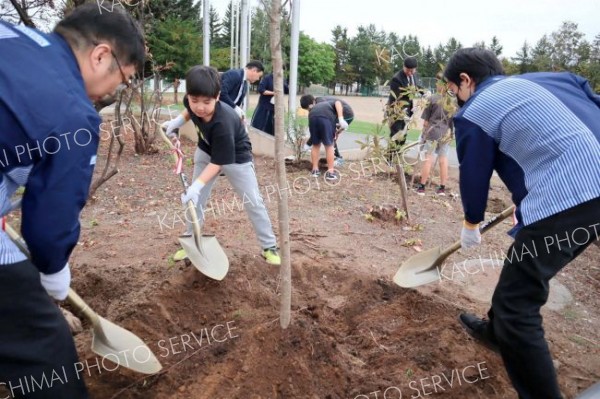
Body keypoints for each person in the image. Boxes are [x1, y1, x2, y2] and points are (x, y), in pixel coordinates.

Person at [0, 4, 144, 398]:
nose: (116, 91)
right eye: (123, 78)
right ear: (101, 55)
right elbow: (50, 220)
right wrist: (53, 269)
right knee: (42, 348)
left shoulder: (13, 37)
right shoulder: (72, 113)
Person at [444, 47, 600, 399]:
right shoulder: (554, 80)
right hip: (585, 197)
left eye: (454, 88)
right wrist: (530, 201)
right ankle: (497, 334)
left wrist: (471, 223)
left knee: (518, 305)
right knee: (520, 269)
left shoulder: (475, 111)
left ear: (465, 80)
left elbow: (474, 175)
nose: (456, 98)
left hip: (574, 195)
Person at [163, 65, 281, 266]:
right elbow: (190, 111)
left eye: (206, 102)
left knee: (252, 200)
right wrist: (178, 121)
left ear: (217, 96)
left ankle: (269, 246)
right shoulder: (192, 100)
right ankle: (191, 240)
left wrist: (197, 185)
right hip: (206, 150)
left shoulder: (223, 122)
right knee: (195, 201)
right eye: (194, 101)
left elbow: (218, 163)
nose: (199, 107)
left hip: (236, 157)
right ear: (189, 96)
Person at [415, 80, 456, 196]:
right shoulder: (453, 102)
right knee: (443, 160)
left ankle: (422, 187)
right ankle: (442, 188)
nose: (436, 85)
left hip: (432, 132)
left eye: (438, 83)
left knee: (428, 158)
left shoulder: (432, 98)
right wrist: (451, 134)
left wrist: (423, 135)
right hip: (446, 133)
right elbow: (453, 122)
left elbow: (426, 121)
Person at [305, 97, 353, 181]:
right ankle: (330, 173)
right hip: (325, 118)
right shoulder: (331, 103)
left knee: (316, 145)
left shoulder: (318, 105)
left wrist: (308, 143)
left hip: (312, 117)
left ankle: (315, 170)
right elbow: (338, 103)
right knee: (329, 146)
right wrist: (341, 119)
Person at [386, 57, 420, 145]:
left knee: (403, 136)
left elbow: (416, 87)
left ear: (415, 69)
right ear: (403, 67)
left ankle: (398, 155)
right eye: (407, 70)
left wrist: (424, 92)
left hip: (408, 111)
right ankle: (391, 157)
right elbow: (396, 99)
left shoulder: (414, 75)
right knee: (396, 136)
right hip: (397, 112)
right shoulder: (396, 79)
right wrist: (402, 113)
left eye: (412, 71)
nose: (409, 73)